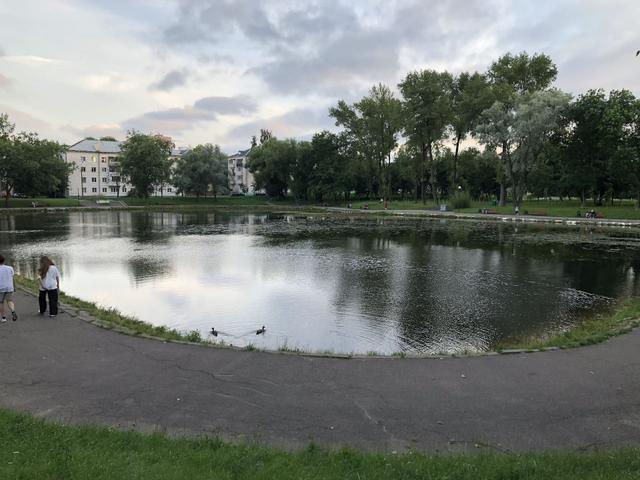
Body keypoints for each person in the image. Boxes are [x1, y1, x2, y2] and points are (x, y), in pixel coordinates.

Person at [0, 254, 18, 323]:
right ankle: (13, 311)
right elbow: (13, 278)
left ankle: (3, 317)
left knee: (1, 302)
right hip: (9, 287)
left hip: (1, 287)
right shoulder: (10, 268)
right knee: (9, 300)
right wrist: (14, 287)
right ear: (4, 261)